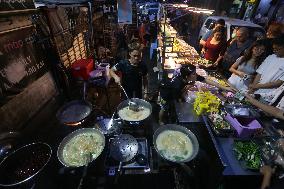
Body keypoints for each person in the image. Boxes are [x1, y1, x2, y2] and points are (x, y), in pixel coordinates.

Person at [158, 64, 233, 124]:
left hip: (175, 91)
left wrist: (225, 88)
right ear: (187, 76)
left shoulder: (188, 77)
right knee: (164, 107)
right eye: (194, 74)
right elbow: (178, 98)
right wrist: (186, 91)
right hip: (166, 94)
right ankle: (160, 120)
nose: (196, 75)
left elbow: (206, 80)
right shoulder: (177, 84)